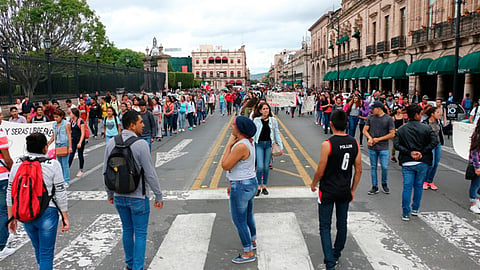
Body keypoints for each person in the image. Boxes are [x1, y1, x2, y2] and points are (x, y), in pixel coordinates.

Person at [104, 110, 163, 270]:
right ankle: (137, 267)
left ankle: (129, 264)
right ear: (132, 125)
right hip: (138, 195)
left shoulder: (111, 143)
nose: (143, 125)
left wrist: (110, 193)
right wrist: (158, 195)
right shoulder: (141, 144)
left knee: (127, 230)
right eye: (140, 122)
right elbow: (150, 173)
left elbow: (106, 171)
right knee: (140, 233)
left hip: (118, 195)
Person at [7, 133, 69, 269]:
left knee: (38, 248)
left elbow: (11, 191)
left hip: (25, 212)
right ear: (45, 148)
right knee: (46, 253)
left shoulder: (18, 163)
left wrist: (11, 216)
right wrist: (65, 217)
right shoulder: (53, 164)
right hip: (48, 212)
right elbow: (60, 192)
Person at [310, 109, 362, 270]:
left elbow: (321, 168)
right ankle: (337, 252)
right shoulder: (354, 142)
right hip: (344, 189)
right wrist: (353, 190)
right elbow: (358, 169)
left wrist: (314, 183)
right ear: (346, 124)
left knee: (325, 226)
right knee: (342, 223)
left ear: (331, 124)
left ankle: (330, 262)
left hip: (327, 189)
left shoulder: (328, 144)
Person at [221, 116, 258, 264]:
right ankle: (252, 241)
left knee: (239, 220)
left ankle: (248, 252)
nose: (231, 127)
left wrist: (228, 147)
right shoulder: (248, 142)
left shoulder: (240, 146)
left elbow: (226, 165)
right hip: (249, 182)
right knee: (248, 215)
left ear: (240, 129)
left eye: (233, 125)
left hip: (242, 185)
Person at [394, 105, 438, 221]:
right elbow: (434, 142)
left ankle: (405, 213)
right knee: (418, 186)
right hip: (422, 161)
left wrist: (410, 152)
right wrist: (422, 152)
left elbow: (397, 145)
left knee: (407, 187)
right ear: (417, 115)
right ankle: (415, 209)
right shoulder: (427, 128)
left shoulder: (402, 129)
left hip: (407, 161)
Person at [363, 101, 395, 195]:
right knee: (373, 167)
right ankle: (374, 186)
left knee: (384, 167)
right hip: (372, 147)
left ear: (379, 108)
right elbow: (365, 130)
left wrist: (379, 139)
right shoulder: (370, 118)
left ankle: (384, 183)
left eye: (373, 109)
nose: (371, 110)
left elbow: (392, 134)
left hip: (383, 147)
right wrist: (369, 138)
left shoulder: (388, 119)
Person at [252, 102, 283, 196]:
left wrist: (281, 147)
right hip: (259, 145)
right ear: (260, 110)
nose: (266, 110)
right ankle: (258, 186)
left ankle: (264, 186)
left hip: (269, 145)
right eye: (264, 109)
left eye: (267, 109)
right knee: (260, 166)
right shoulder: (256, 120)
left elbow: (276, 133)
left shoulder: (273, 120)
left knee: (266, 167)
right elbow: (253, 134)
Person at [0, 113, 14, 259]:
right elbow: (7, 158)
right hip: (2, 176)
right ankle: (1, 245)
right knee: (3, 211)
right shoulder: (1, 134)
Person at [48, 109, 72, 187]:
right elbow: (54, 135)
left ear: (61, 116)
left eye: (57, 117)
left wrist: (70, 147)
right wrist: (48, 143)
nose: (55, 119)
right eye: (54, 117)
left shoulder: (66, 124)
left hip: (64, 144)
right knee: (59, 163)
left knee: (65, 164)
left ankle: (66, 180)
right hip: (57, 144)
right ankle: (61, 179)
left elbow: (69, 135)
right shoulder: (54, 124)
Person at [423, 106, 444, 190]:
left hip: (437, 144)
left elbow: (442, 132)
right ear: (432, 114)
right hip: (429, 145)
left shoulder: (438, 122)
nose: (440, 114)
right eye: (438, 112)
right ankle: (424, 181)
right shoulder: (425, 123)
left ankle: (430, 181)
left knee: (436, 164)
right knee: (430, 164)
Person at [68, 108, 86, 178]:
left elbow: (83, 133)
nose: (70, 114)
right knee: (71, 155)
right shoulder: (71, 121)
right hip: (73, 140)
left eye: (71, 113)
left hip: (79, 140)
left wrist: (80, 142)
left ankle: (81, 169)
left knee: (80, 155)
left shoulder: (80, 121)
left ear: (74, 114)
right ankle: (67, 169)